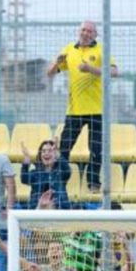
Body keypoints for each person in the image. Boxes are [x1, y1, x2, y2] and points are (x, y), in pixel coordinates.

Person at [47, 21, 117, 192]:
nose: (86, 33)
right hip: (74, 110)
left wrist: (91, 69)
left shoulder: (101, 50)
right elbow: (49, 73)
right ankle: (59, 181)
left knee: (96, 149)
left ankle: (93, 184)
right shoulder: (69, 49)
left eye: (90, 31)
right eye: (83, 30)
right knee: (64, 148)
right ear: (79, 32)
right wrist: (57, 63)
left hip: (97, 110)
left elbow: (114, 72)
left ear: (95, 35)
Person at [21, 140, 72, 210]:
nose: (46, 153)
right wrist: (26, 162)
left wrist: (58, 154)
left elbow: (67, 171)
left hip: (59, 211)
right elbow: (24, 179)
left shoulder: (61, 172)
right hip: (38, 211)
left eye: (50, 151)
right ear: (40, 155)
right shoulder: (35, 173)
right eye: (43, 151)